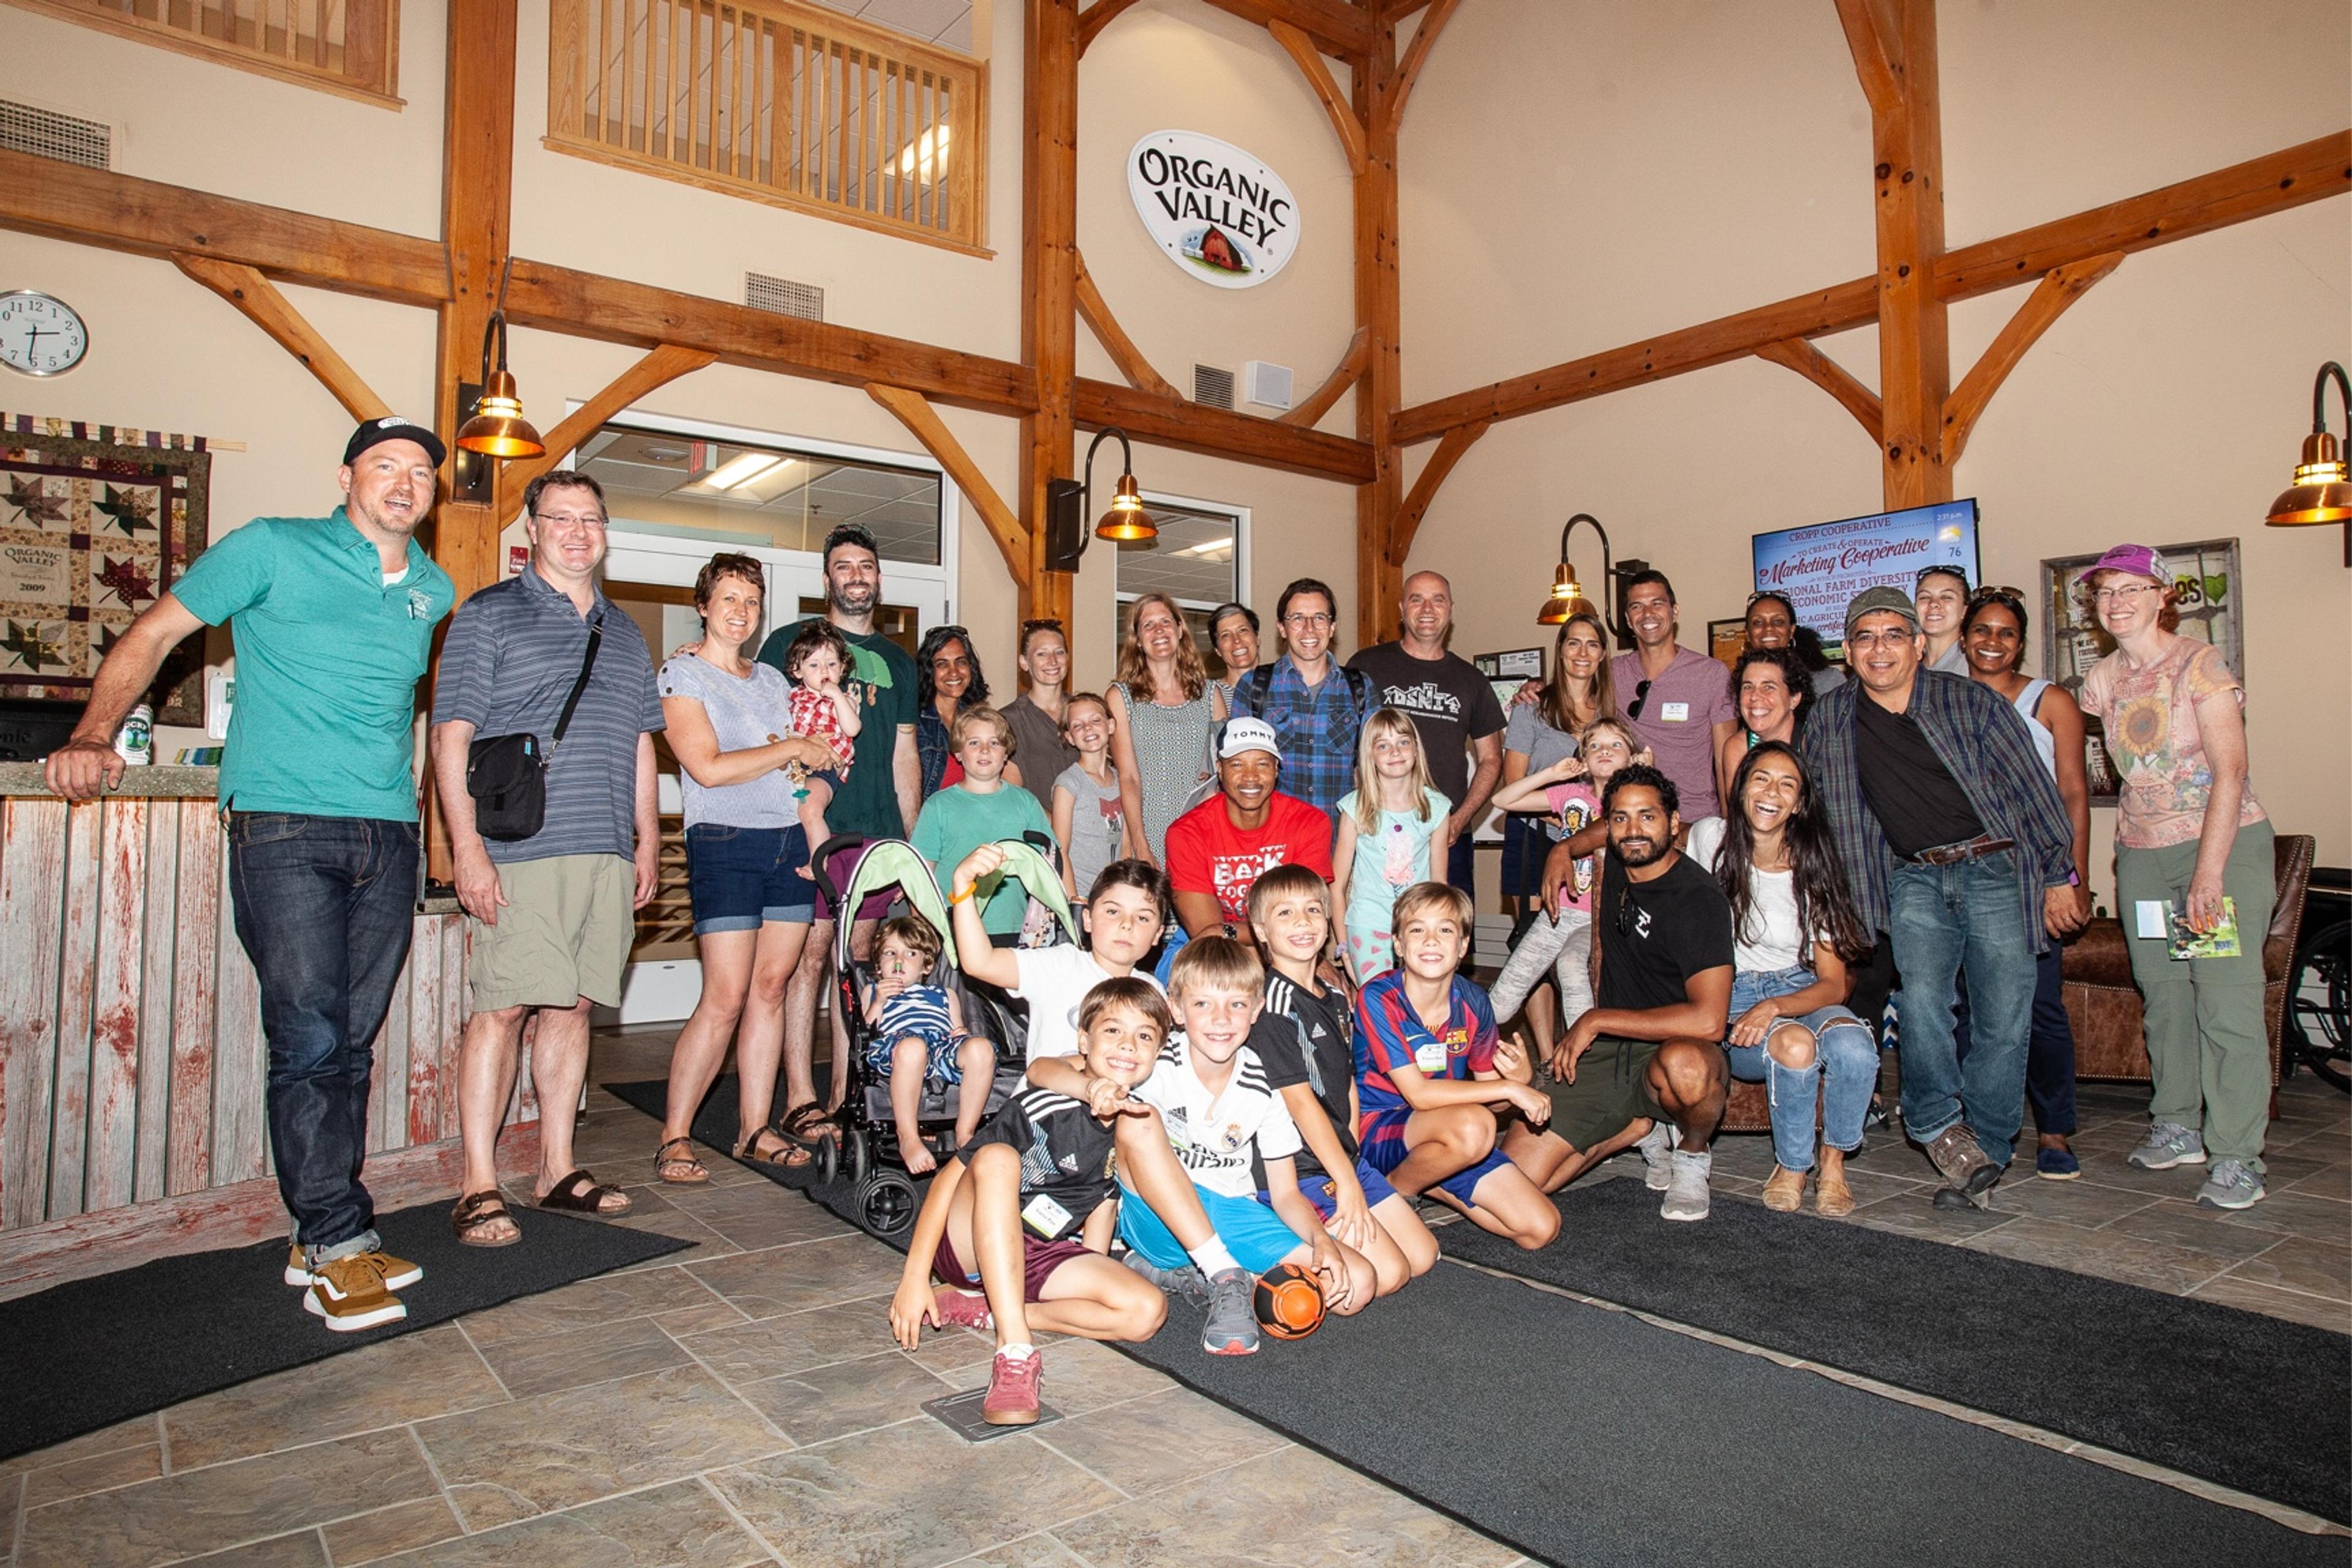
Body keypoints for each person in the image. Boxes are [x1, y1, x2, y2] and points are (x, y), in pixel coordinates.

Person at [46, 415, 454, 1330]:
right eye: (385, 465)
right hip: (283, 824)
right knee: (309, 1038)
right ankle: (338, 1241)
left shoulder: (433, 587)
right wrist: (89, 735)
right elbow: (152, 636)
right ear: (348, 476)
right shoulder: (272, 547)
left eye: (421, 472)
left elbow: (401, 717)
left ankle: (322, 1236)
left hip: (386, 834)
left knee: (350, 1042)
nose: (404, 482)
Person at [431, 470, 660, 1246]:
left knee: (574, 1006)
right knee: (503, 1007)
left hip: (605, 852)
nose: (576, 531)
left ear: (604, 531)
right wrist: (467, 850)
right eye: (559, 518)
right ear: (531, 529)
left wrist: (648, 840)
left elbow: (639, 743)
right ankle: (478, 1183)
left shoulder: (626, 634)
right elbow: (451, 737)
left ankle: (556, 1168)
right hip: (518, 848)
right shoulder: (488, 615)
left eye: (590, 518)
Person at [1801, 586, 2080, 1211]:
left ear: (1920, 645)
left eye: (1894, 635)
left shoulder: (1970, 702)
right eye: (1866, 637)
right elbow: (1809, 805)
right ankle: (1936, 1125)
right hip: (1913, 876)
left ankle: (1986, 1148)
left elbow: (2035, 790)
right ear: (1848, 652)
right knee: (1923, 1003)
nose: (1880, 648)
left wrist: (2060, 873)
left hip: (1997, 869)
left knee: (2004, 1019)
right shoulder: (1831, 718)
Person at [2077, 546, 2275, 1208]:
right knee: (2163, 992)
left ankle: (2238, 1152)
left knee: (2223, 997)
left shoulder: (2200, 664)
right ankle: (2178, 1123)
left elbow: (2232, 771)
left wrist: (2209, 874)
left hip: (2216, 847)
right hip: (2140, 854)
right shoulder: (2101, 682)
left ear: (2164, 594)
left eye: (2133, 588)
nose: (2118, 601)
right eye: (2106, 591)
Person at [888, 977, 1174, 1426]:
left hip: (1040, 1250)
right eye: (1113, 1030)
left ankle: (991, 1308)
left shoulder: (1135, 1121)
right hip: (969, 1238)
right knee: (998, 1157)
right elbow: (950, 1179)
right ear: (1084, 1041)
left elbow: (1101, 1200)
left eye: (1145, 1037)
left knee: (1146, 1311)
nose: (1128, 1046)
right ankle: (1015, 1351)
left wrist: (1092, 1269)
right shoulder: (1045, 1102)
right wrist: (914, 1278)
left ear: (1157, 1053)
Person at [652, 554, 840, 1184]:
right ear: (704, 605)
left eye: (752, 602)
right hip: (725, 839)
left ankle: (754, 1128)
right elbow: (707, 767)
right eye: (728, 598)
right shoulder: (682, 673)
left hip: (787, 842)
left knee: (771, 989)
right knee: (726, 995)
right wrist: (789, 748)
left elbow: (815, 757)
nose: (740, 611)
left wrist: (813, 772)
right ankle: (675, 1135)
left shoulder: (773, 683)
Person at [1072, 938, 1375, 1323]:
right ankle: (1222, 1273)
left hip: (1232, 1212)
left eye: (1236, 1004)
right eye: (1203, 1004)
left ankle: (1205, 1277)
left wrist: (1320, 1241)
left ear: (1256, 1010)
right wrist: (1089, 1087)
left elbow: (1285, 1193)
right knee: (1139, 1119)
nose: (1221, 1019)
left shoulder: (1265, 1085)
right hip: (1158, 1219)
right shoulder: (1153, 1061)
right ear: (1176, 1009)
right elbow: (1049, 1069)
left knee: (1357, 1284)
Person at [1502, 766, 1735, 1221]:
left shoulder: (1699, 900)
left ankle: (1691, 1154)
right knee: (1517, 1184)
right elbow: (1594, 834)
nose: (1634, 831)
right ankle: (1632, 1126)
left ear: (1673, 822)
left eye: (1648, 817)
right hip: (1609, 1054)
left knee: (1688, 1067)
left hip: (1673, 1049)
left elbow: (1710, 1020)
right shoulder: (1615, 861)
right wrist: (1564, 848)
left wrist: (1595, 1019)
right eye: (1621, 819)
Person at [756, 524, 919, 1152]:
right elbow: (757, 717)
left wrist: (907, 842)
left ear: (878, 578)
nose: (857, 575)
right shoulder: (788, 644)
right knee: (809, 957)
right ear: (827, 578)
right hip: (814, 828)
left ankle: (844, 1093)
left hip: (877, 835)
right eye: (844, 566)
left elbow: (906, 752)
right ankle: (798, 1095)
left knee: (857, 964)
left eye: (867, 566)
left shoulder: (899, 662)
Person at [1687, 744, 1878, 1215]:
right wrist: (1569, 846)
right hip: (1731, 995)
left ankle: (1833, 1163)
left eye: (1786, 784)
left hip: (1797, 991)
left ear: (1799, 803)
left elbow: (1833, 984)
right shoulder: (1710, 839)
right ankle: (1792, 1165)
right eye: (1761, 778)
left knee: (1855, 1045)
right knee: (1795, 1045)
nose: (1771, 792)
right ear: (1741, 788)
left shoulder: (1814, 867)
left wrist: (1773, 1006)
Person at [1247, 865, 1438, 1295]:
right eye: (1285, 914)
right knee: (1386, 1276)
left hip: (1339, 1160)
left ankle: (1334, 1222)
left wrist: (1353, 1165)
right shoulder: (1272, 1005)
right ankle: (1266, 1261)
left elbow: (1347, 1082)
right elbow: (1300, 1103)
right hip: (1299, 1170)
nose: (1303, 923)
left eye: (1313, 910)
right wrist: (1346, 1184)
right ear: (1261, 930)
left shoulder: (1335, 996)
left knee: (1421, 1256)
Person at [1959, 586, 2089, 1178]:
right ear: (1963, 639)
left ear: (2021, 642)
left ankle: (2055, 1129)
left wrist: (2073, 876)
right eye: (1981, 631)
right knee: (1965, 1008)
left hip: (2036, 875)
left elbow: (2072, 794)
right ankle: (1971, 1128)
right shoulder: (1942, 700)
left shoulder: (2050, 700)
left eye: (2006, 632)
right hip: (1960, 876)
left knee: (2040, 1008)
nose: (1992, 642)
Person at [1354, 883, 1562, 1249]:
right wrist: (1509, 1088)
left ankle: (1426, 1176)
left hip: (1447, 1134)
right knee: (1474, 1127)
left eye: (1445, 930)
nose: (1431, 940)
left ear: (1463, 946)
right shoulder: (1378, 997)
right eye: (1417, 929)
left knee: (1541, 1228)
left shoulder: (1474, 1001)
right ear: (1399, 945)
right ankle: (1395, 1192)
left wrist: (1519, 1079)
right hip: (1376, 1130)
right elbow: (1418, 1095)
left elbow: (1493, 1105)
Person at [1486, 716, 1645, 1059]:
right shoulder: (1571, 795)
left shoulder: (1636, 803)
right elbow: (1503, 801)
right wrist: (1552, 774)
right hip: (1557, 912)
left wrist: (1643, 773)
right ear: (1583, 760)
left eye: (1616, 745)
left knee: (1572, 967)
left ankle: (1587, 1058)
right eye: (1595, 746)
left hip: (1598, 917)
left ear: (1631, 758)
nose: (1605, 751)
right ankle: (1467, 1050)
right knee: (1504, 995)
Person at [1346, 571, 1506, 896]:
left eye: (1438, 599)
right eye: (1417, 599)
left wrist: (1460, 820)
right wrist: (1363, 809)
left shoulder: (1472, 680)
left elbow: (1491, 760)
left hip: (1447, 834)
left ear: (1451, 609)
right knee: (1376, 929)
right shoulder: (1366, 665)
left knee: (1448, 932)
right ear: (1402, 609)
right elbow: (1348, 745)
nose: (1427, 608)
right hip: (1377, 830)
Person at [951, 847, 1169, 1064]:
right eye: (1113, 912)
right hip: (1045, 1095)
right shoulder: (1061, 965)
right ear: (1088, 919)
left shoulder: (1155, 991)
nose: (1126, 925)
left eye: (1142, 918)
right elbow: (981, 963)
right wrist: (963, 885)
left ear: (1158, 933)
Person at [1164, 717, 1335, 938]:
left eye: (1262, 764)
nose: (1251, 777)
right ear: (1220, 770)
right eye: (1237, 764)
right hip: (1214, 953)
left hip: (1287, 946)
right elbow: (1210, 937)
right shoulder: (1187, 833)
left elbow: (1303, 922)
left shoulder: (1310, 823)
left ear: (1276, 769)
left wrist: (1230, 932)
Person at [1227, 577, 1379, 821]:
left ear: (1332, 627)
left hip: (1341, 841)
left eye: (1319, 618)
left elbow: (1376, 769)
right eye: (1297, 618)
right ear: (1281, 628)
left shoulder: (1360, 687)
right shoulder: (1254, 686)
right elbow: (1236, 771)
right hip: (1275, 840)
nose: (1309, 628)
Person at [862, 914, 996, 1175]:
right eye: (890, 953)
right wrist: (878, 1002)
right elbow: (868, 1032)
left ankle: (965, 1133)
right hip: (897, 1046)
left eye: (910, 954)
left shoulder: (944, 995)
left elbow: (956, 1028)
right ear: (878, 965)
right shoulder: (874, 991)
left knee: (982, 1048)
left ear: (926, 966)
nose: (899, 961)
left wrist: (961, 1035)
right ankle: (908, 1137)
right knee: (913, 1047)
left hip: (940, 1046)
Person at [1501, 611, 1613, 921]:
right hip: (1534, 835)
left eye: (1592, 645)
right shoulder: (1531, 709)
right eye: (1574, 643)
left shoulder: (1610, 714)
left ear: (1602, 654)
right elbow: (1512, 783)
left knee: (1591, 938)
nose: (1582, 653)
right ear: (1561, 649)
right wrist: (1561, 817)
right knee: (1536, 934)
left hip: (1593, 841)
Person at [912, 706, 1054, 943]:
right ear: (958, 753)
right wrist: (919, 931)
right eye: (974, 743)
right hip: (953, 927)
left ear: (1007, 753)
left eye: (995, 743)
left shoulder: (1026, 802)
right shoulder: (938, 805)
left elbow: (1051, 861)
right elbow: (920, 875)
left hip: (1014, 927)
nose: (985, 750)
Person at [1106, 592, 1227, 865]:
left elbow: (1224, 773)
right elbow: (1128, 778)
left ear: (1180, 629)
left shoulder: (1211, 695)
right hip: (1146, 828)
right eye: (1148, 625)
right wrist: (1141, 844)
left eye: (1166, 622)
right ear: (1137, 640)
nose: (1159, 630)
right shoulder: (1120, 697)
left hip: (1200, 830)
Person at [1333, 708, 1452, 982]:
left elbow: (1440, 884)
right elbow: (1337, 885)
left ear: (1415, 749)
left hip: (1419, 926)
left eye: (1403, 742)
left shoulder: (1437, 807)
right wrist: (1344, 947)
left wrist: (1443, 933)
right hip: (1368, 925)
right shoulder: (1355, 807)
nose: (1395, 752)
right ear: (1370, 756)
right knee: (1378, 1008)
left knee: (1417, 1006)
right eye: (1383, 746)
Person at [1609, 569, 1738, 822]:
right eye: (1638, 606)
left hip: (1694, 820)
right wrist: (1531, 691)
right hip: (1632, 820)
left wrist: (1730, 827)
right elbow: (1569, 698)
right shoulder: (1613, 672)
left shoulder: (1711, 674)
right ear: (1627, 619)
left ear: (1674, 611)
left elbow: (1726, 760)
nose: (1648, 614)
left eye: (1657, 604)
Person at [777, 619, 861, 856]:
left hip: (824, 767)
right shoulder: (793, 696)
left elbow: (853, 729)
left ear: (843, 667)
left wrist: (837, 696)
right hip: (794, 766)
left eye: (832, 664)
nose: (824, 671)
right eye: (814, 665)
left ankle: (819, 860)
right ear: (797, 670)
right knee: (790, 813)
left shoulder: (845, 700)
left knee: (810, 809)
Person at [1714, 643, 1812, 808]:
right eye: (1748, 687)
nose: (1754, 697)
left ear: (1794, 698)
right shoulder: (1737, 747)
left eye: (1768, 687)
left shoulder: (1812, 742)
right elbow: (1739, 815)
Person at [916, 625, 1007, 799]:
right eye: (942, 664)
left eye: (961, 662)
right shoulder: (915, 723)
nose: (954, 672)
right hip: (930, 823)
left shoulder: (981, 721)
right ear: (929, 671)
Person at [1050, 692, 1124, 902]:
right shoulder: (1069, 784)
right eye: (1078, 725)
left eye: (1095, 720)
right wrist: (1073, 901)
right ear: (1070, 737)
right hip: (1082, 894)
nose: (1088, 728)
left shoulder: (1121, 780)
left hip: (1113, 896)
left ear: (1111, 726)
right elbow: (1061, 850)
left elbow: (1126, 847)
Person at [1002, 618, 1078, 815]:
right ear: (1024, 663)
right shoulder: (1009, 721)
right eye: (1042, 654)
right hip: (1038, 835)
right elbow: (1012, 795)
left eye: (1059, 652)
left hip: (1090, 834)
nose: (1052, 661)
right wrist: (1056, 826)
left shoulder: (1084, 714)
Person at [1744, 589, 1842, 696]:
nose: (1768, 628)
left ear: (1791, 631)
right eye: (1758, 622)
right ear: (1747, 634)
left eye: (1778, 622)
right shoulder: (1735, 686)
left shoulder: (1828, 681)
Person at [1913, 564, 1973, 675]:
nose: (1934, 604)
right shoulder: (1907, 667)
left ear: (1965, 610)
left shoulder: (1974, 666)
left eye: (1946, 597)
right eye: (1925, 597)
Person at [1208, 601, 1262, 709]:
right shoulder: (1208, 697)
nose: (1236, 640)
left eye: (1243, 630)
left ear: (1257, 639)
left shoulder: (1283, 688)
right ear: (1218, 650)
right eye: (1226, 635)